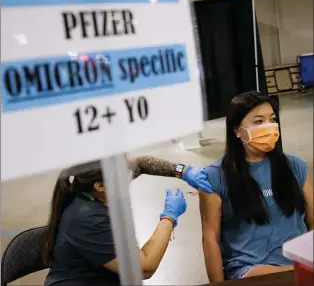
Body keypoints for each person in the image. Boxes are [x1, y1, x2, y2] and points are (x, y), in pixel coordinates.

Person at [199, 91, 313, 282]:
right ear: (236, 130)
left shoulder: (296, 166)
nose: (268, 127)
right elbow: (210, 238)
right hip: (250, 269)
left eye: (272, 119)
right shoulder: (214, 177)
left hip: (298, 262)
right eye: (258, 122)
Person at [44, 161, 187, 286]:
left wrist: (183, 171)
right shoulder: (88, 218)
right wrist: (169, 216)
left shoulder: (91, 190)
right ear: (100, 186)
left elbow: (141, 164)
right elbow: (144, 268)